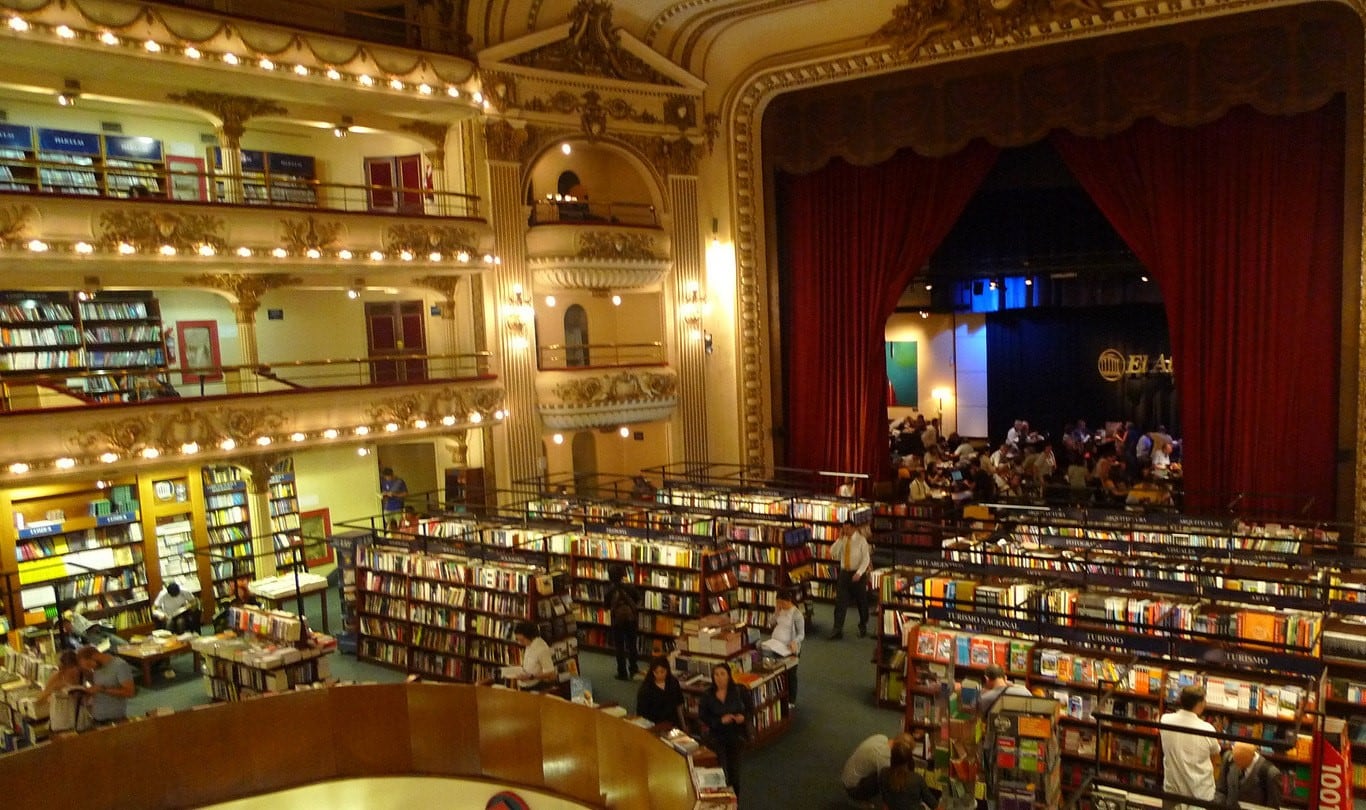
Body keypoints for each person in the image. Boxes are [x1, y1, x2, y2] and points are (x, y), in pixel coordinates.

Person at [1159, 685, 1221, 810]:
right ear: (1199, 704)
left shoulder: (1165, 720)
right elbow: (1216, 754)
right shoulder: (1207, 729)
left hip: (1172, 791)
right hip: (1200, 794)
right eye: (1204, 700)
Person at [697, 662, 749, 793]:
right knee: (719, 772)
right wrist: (720, 720)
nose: (719, 678)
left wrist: (742, 717)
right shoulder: (708, 695)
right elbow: (703, 716)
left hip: (735, 736)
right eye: (716, 674)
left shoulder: (739, 691)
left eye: (722, 674)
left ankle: (735, 801)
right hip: (717, 737)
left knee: (734, 773)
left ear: (728, 676)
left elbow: (749, 708)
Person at [829, 518, 871, 639]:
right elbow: (832, 552)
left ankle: (863, 625)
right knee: (840, 602)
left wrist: (859, 572)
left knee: (861, 602)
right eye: (844, 528)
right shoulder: (843, 540)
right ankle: (837, 629)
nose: (845, 531)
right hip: (844, 574)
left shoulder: (861, 540)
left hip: (857, 574)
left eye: (847, 529)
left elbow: (866, 559)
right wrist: (840, 539)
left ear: (853, 528)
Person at [75, 644, 136, 725]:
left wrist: (103, 689)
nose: (90, 669)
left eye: (89, 665)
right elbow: (97, 686)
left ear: (94, 656)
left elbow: (129, 692)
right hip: (97, 717)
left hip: (115, 718)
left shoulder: (120, 665)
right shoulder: (97, 668)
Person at [762, 589, 804, 704]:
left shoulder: (796, 614)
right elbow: (770, 622)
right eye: (778, 602)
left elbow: (801, 634)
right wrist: (776, 612)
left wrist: (794, 641)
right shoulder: (780, 610)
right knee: (775, 671)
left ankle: (791, 700)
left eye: (781, 602)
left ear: (788, 601)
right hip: (776, 645)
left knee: (791, 674)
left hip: (790, 648)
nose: (780, 605)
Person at [1215, 742, 1282, 808]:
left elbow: (1272, 807)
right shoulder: (1229, 759)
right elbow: (1221, 791)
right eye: (1236, 761)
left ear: (1252, 757)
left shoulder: (1270, 774)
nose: (1237, 766)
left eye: (1241, 764)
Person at [605, 563, 642, 681]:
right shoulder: (630, 587)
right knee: (632, 645)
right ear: (622, 575)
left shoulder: (609, 590)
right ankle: (633, 669)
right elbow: (638, 599)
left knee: (619, 647)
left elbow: (606, 606)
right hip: (631, 620)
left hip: (617, 621)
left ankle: (622, 672)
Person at [36, 650, 88, 733]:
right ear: (64, 668)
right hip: (61, 722)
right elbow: (39, 701)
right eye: (70, 668)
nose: (74, 671)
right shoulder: (57, 677)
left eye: (76, 667)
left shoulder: (83, 675)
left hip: (79, 721)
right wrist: (53, 689)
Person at [880, 735, 937, 810]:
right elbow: (934, 804)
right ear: (909, 760)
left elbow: (885, 802)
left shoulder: (883, 773)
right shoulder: (917, 779)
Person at [841, 732, 899, 804]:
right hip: (853, 788)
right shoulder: (884, 757)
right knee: (887, 777)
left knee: (882, 771)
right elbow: (887, 780)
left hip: (847, 778)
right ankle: (861, 799)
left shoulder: (881, 737)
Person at [635, 655, 687, 728]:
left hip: (673, 724)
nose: (659, 675)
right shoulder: (646, 689)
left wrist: (683, 725)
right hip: (655, 725)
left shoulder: (673, 682)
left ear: (667, 670)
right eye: (656, 672)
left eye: (662, 672)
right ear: (652, 672)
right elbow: (642, 715)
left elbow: (678, 705)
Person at [507, 620, 558, 691]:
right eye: (518, 640)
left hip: (535, 688)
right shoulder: (529, 643)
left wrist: (530, 677)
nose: (520, 643)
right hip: (524, 685)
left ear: (530, 636)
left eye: (522, 640)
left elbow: (551, 674)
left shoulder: (541, 649)